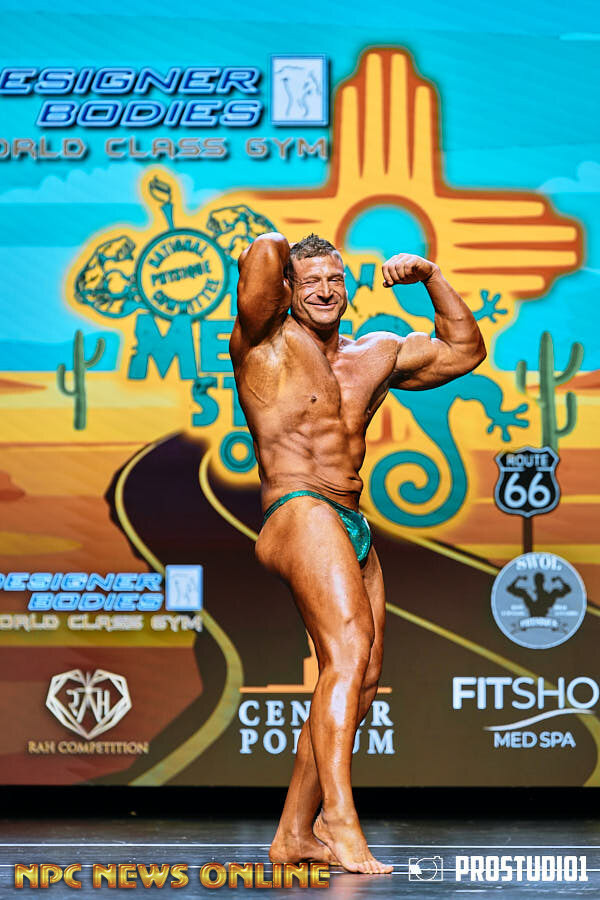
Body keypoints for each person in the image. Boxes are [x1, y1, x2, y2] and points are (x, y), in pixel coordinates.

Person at [229, 232, 486, 874]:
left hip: (349, 517)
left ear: (348, 286)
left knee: (362, 677)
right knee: (345, 656)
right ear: (287, 290)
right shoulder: (264, 342)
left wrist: (430, 275)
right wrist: (278, 246)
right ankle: (340, 819)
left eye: (334, 279)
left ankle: (295, 833)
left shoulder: (376, 352)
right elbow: (261, 260)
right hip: (298, 508)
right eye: (309, 281)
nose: (324, 291)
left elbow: (465, 350)